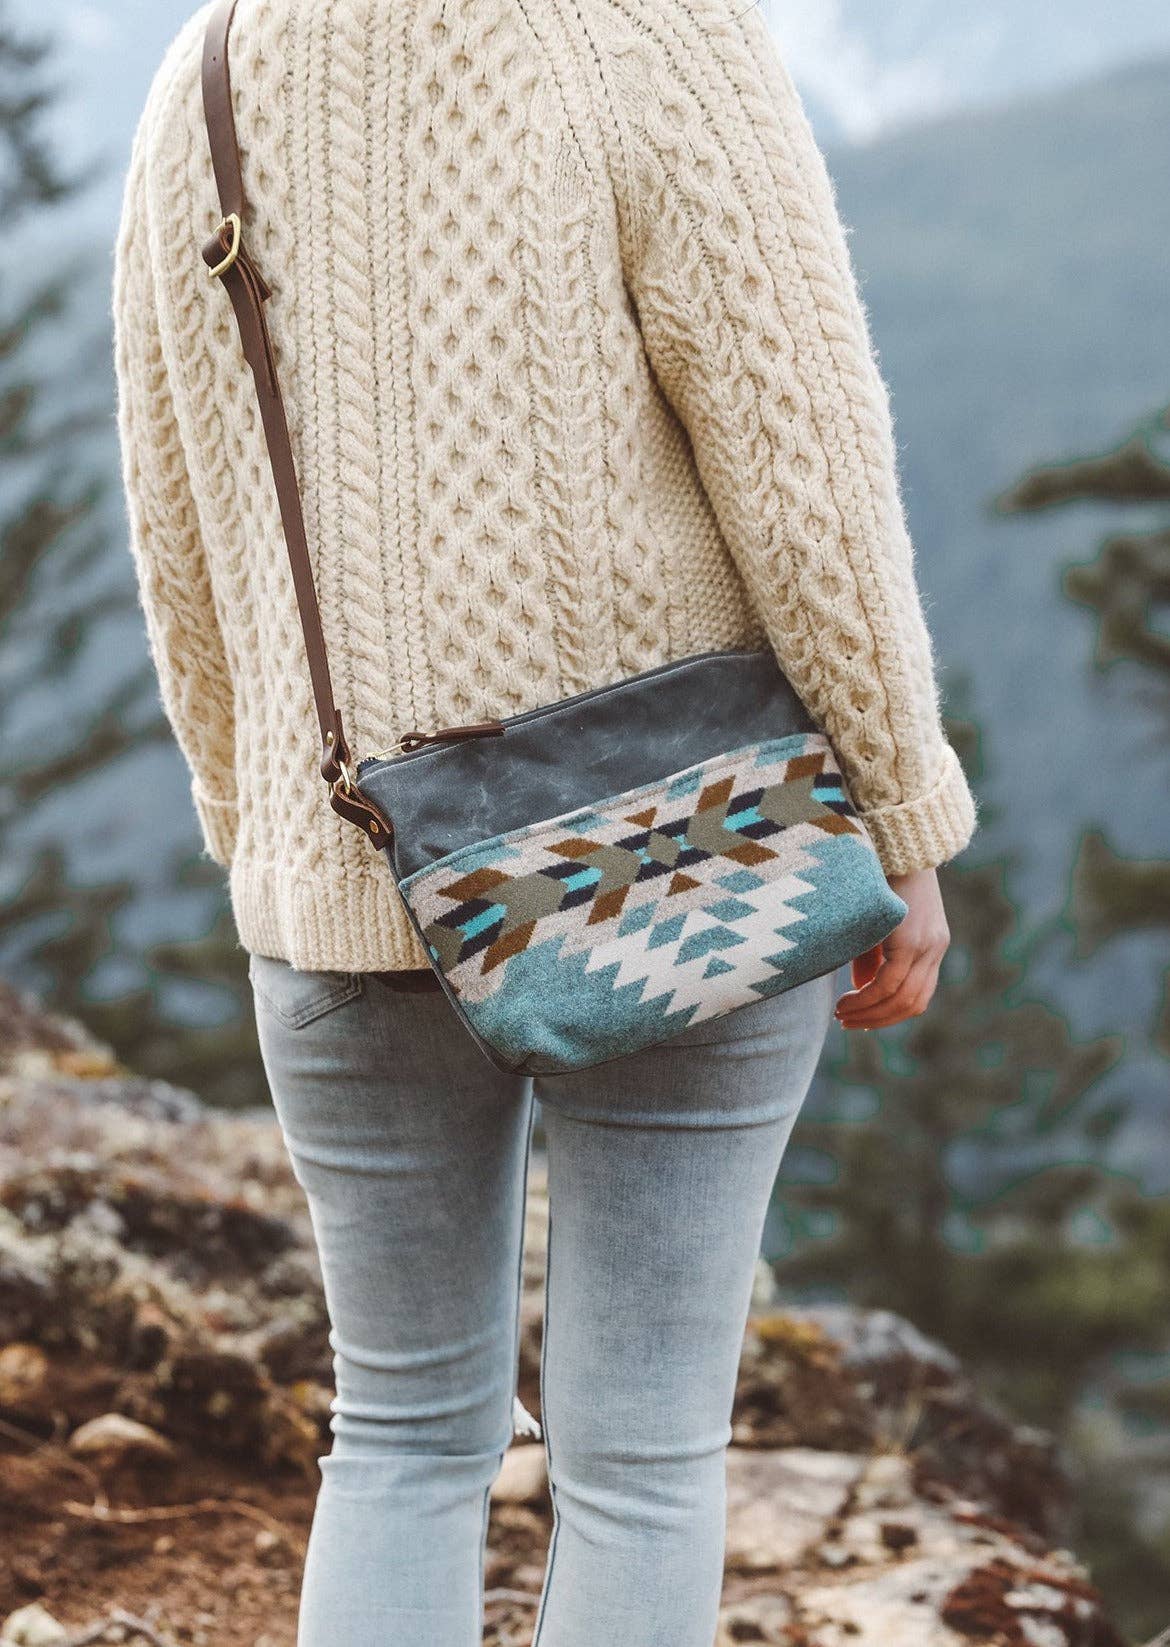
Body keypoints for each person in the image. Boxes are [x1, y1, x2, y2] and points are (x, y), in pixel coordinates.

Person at [112, 1, 977, 1642]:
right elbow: (800, 461)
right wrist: (901, 810)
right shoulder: (650, 27)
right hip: (680, 857)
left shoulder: (210, 64)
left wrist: (264, 839)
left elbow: (177, 519)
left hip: (345, 868)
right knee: (643, 1458)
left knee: (398, 1436)